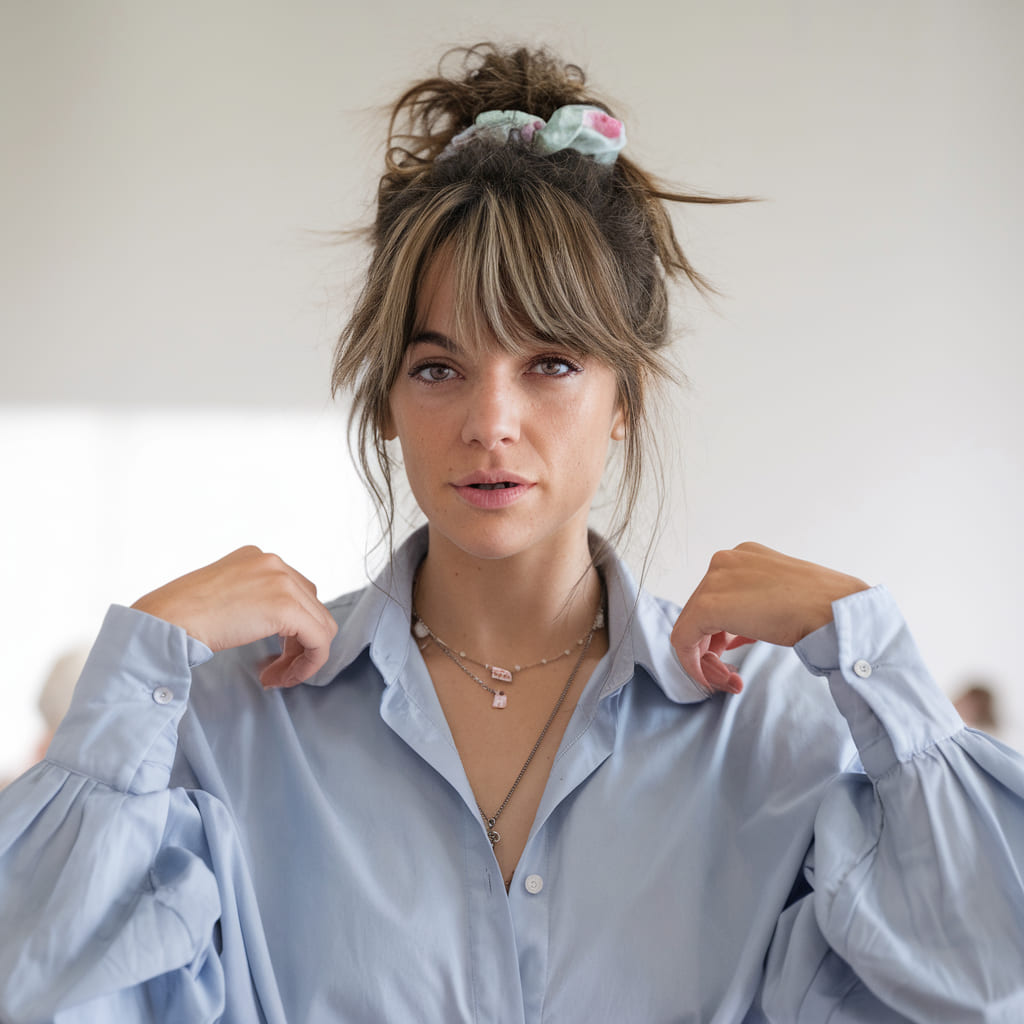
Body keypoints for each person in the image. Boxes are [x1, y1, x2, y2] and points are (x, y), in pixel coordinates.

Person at [1, 42, 1022, 1024]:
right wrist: (138, 657)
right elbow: (30, 981)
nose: (490, 421)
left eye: (551, 363)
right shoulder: (231, 721)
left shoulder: (775, 732)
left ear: (624, 397)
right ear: (388, 399)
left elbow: (989, 981)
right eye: (439, 367)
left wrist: (871, 651)